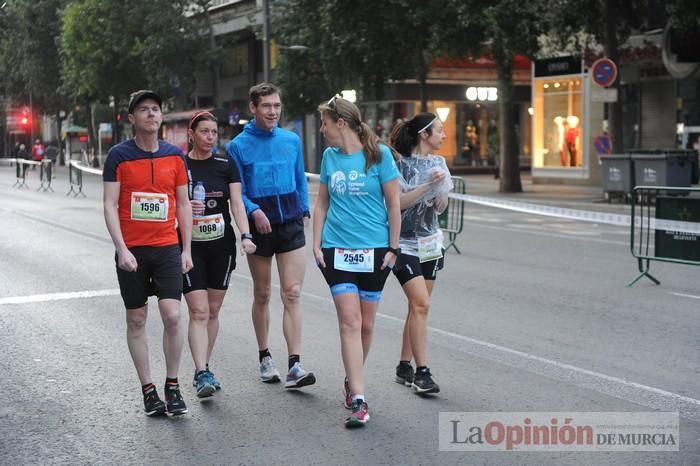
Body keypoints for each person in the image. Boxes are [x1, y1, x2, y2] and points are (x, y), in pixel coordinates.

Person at [103, 90, 193, 417]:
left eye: (156, 109)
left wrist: (187, 249)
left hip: (167, 247)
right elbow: (110, 206)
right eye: (144, 110)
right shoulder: (118, 156)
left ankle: (173, 385)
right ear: (132, 118)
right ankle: (148, 390)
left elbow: (183, 204)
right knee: (137, 318)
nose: (151, 115)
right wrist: (121, 249)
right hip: (133, 251)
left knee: (172, 315)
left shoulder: (175, 156)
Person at [313, 96, 401, 427]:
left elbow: (393, 204)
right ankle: (360, 400)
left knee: (365, 324)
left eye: (324, 123)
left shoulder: (379, 156)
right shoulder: (329, 158)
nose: (321, 130)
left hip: (376, 251)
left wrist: (393, 248)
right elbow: (321, 203)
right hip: (337, 250)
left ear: (341, 123)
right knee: (349, 321)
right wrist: (317, 243)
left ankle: (353, 379)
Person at [226, 83, 316, 389]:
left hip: (290, 223)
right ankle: (265, 356)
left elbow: (299, 178)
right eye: (267, 106)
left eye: (277, 106)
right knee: (262, 293)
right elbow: (237, 193)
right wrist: (253, 212)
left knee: (292, 293)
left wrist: (303, 208)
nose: (273, 112)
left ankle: (295, 365)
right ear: (253, 108)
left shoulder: (291, 140)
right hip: (259, 227)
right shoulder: (237, 146)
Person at [184, 111, 256, 398]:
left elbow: (237, 204)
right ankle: (201, 371)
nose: (210, 137)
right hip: (190, 247)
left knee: (213, 310)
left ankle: (204, 366)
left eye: (214, 132)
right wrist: (186, 207)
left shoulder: (226, 164)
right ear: (192, 134)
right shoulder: (180, 165)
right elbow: (169, 202)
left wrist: (246, 234)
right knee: (198, 311)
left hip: (220, 246)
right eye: (204, 132)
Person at [388, 112, 452, 396]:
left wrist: (441, 187)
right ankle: (422, 373)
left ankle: (404, 365)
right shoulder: (398, 164)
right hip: (403, 244)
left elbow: (440, 208)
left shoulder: (439, 163)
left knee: (418, 307)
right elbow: (399, 203)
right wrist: (427, 184)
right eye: (439, 130)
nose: (444, 135)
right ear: (424, 135)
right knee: (422, 305)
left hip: (429, 243)